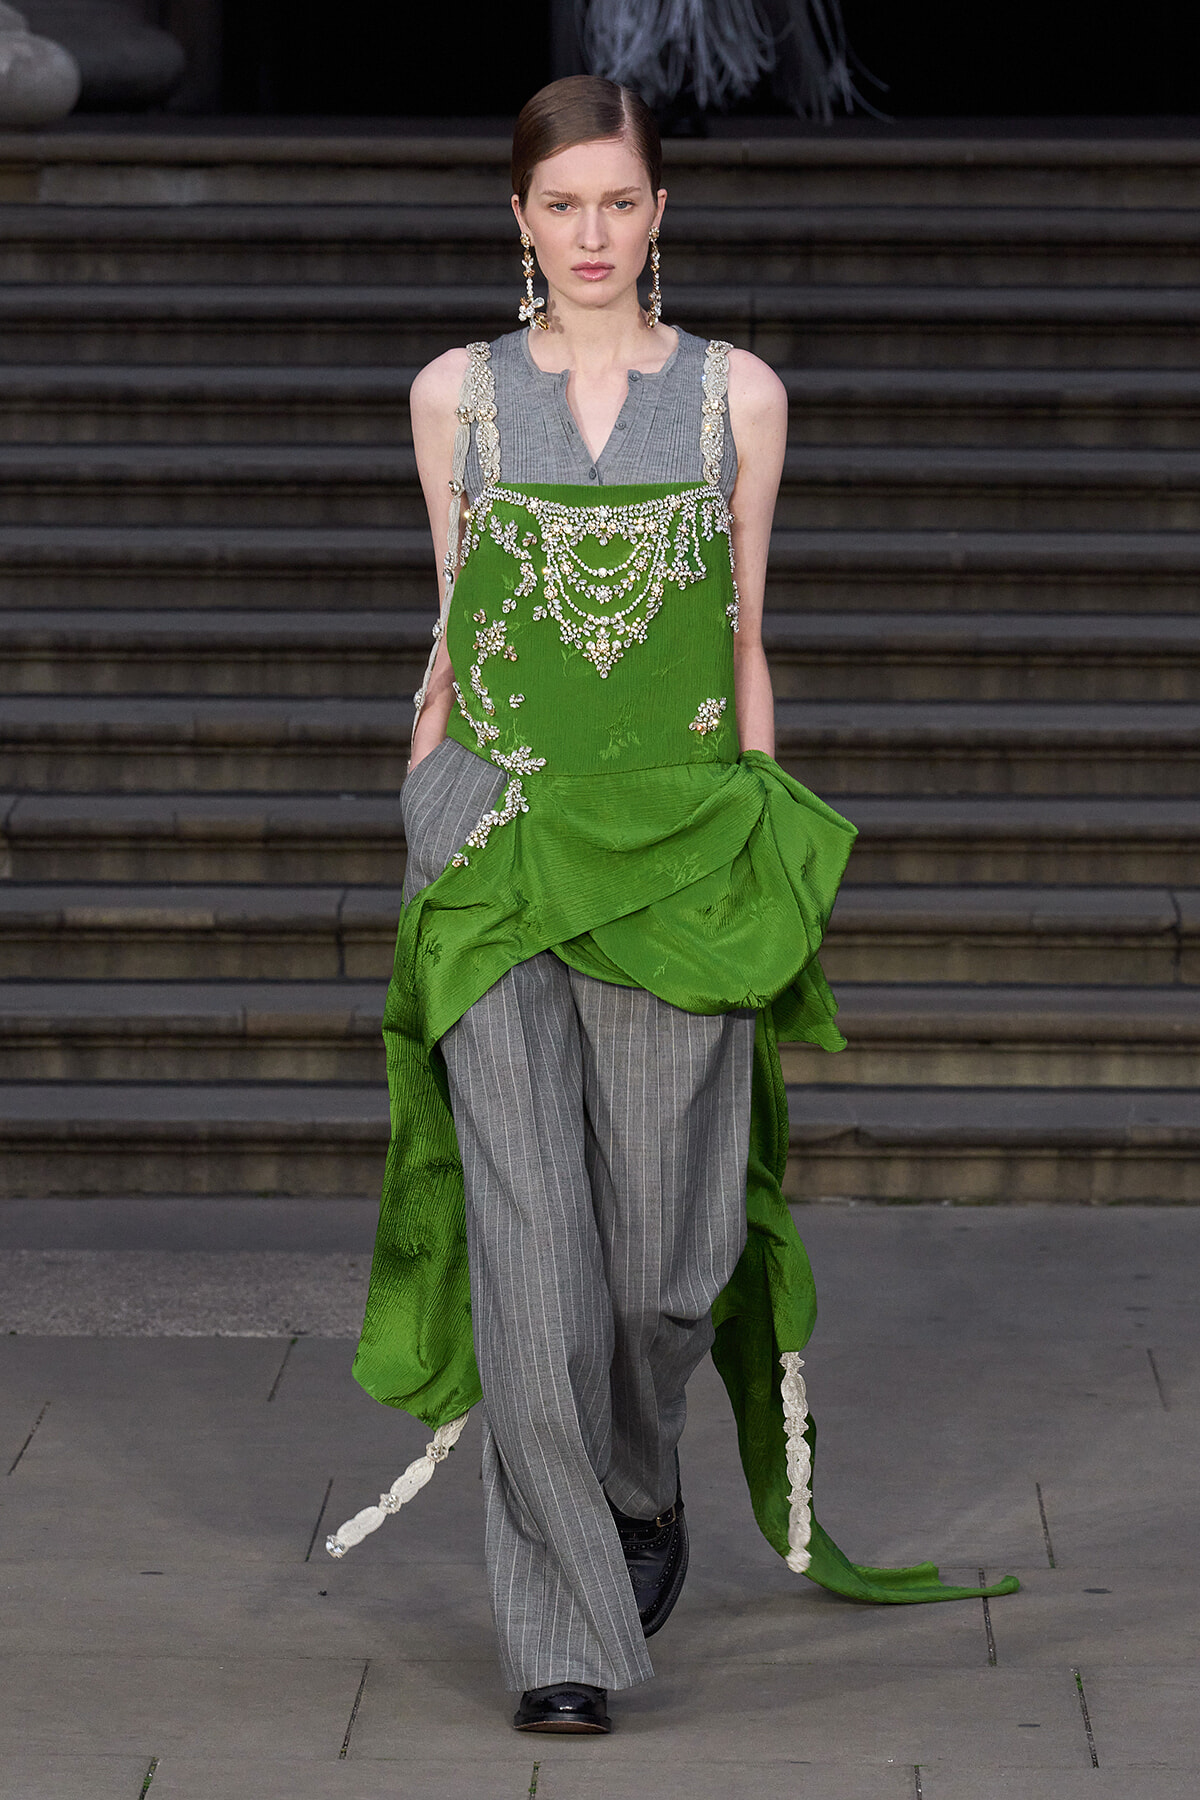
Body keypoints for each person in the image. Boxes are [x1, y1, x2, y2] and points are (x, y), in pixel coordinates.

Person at [331, 73, 1016, 1734]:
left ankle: (639, 1489)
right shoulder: (455, 397)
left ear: (659, 213)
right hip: (499, 844)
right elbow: (454, 615)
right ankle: (562, 1635)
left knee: (663, 1266)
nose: (592, 235)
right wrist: (426, 799)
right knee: (532, 1262)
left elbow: (743, 630)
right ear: (519, 218)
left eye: (619, 202)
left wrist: (762, 844)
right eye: (561, 205)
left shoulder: (734, 398)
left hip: (684, 845)